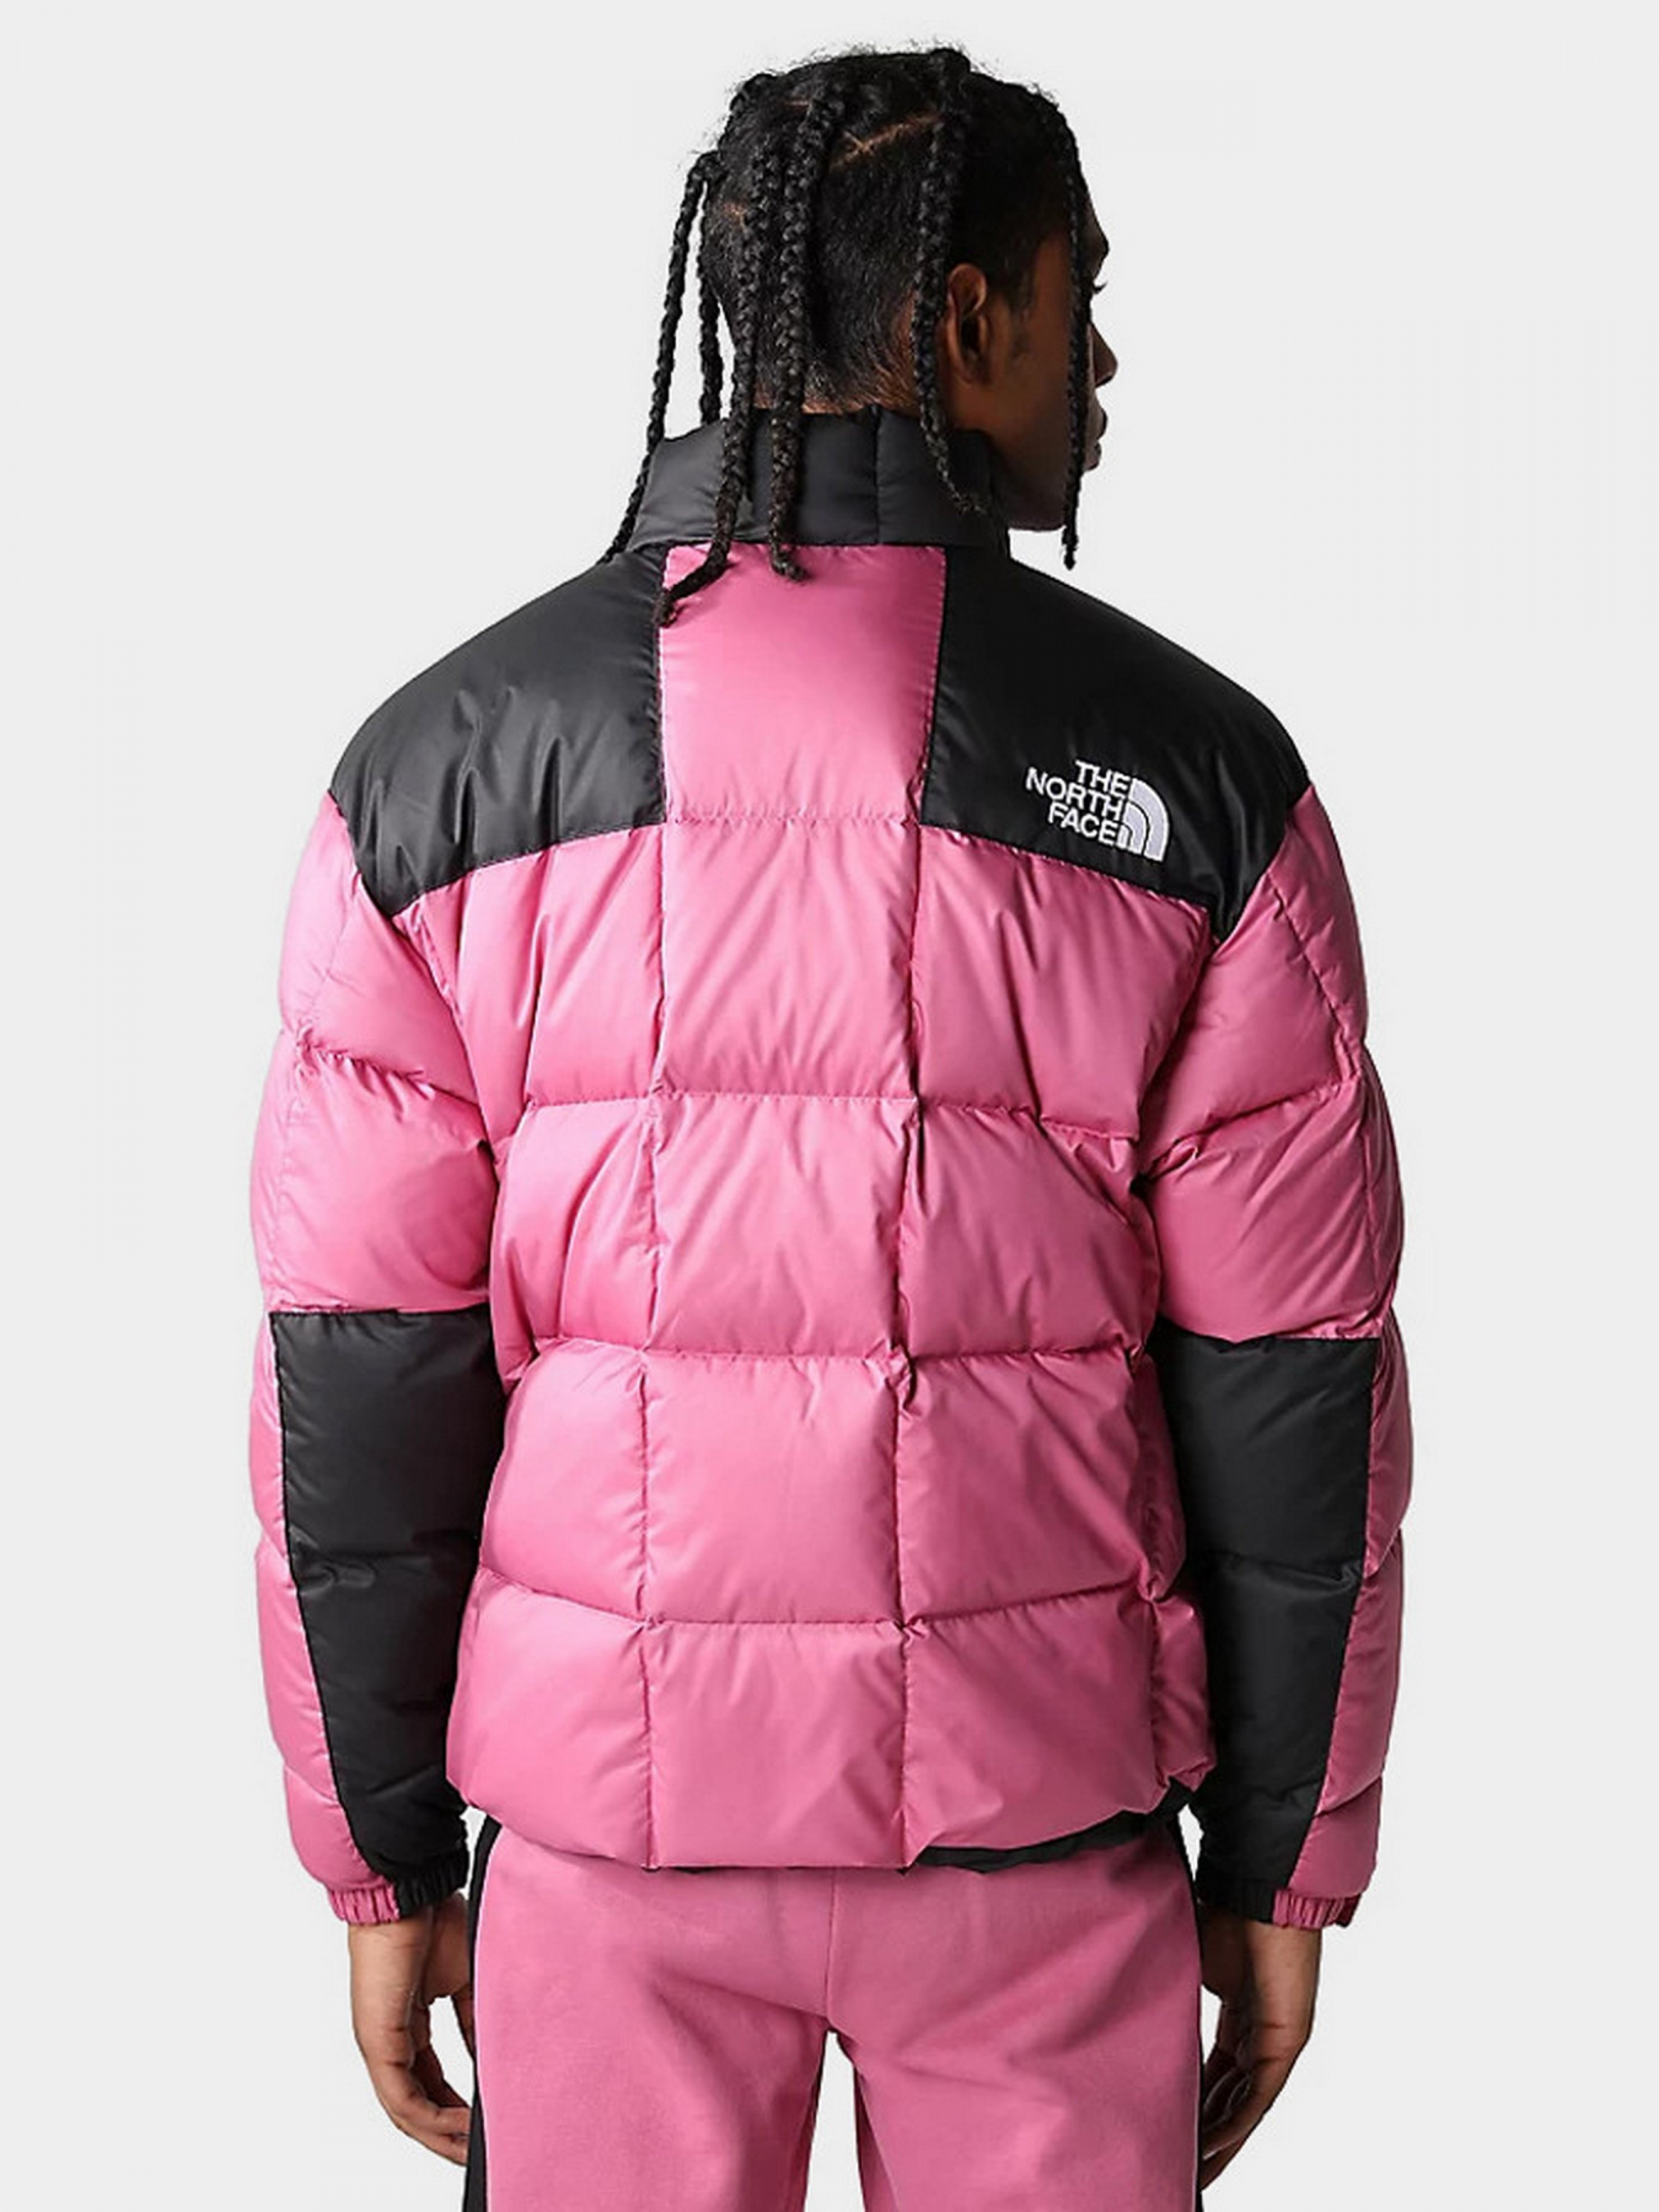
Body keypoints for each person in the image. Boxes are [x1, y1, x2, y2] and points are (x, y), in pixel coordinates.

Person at [246, 41, 1412, 2211]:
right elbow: (1291, 1386)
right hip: (1043, 1845)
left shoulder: (429, 777)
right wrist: (1282, 1862)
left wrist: (377, 1858)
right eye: (1080, 298)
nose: (1104, 363)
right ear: (968, 320)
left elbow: (359, 1383)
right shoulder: (1199, 780)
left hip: (607, 1855)